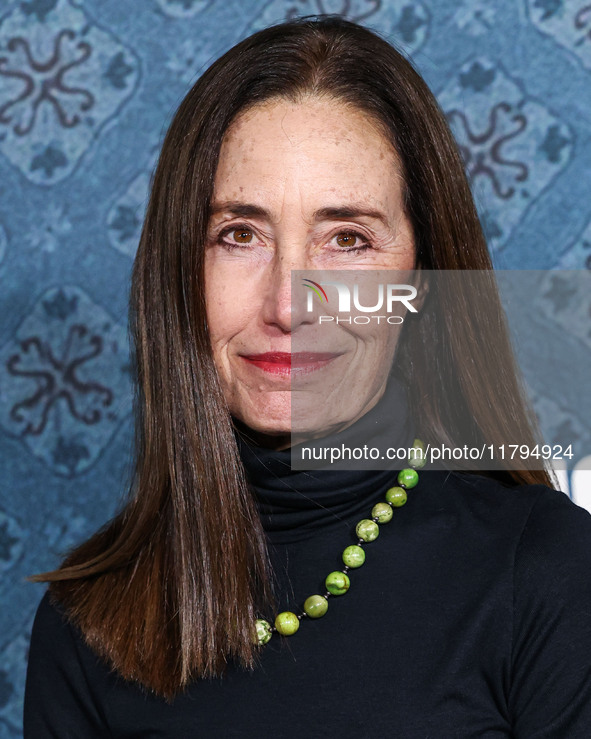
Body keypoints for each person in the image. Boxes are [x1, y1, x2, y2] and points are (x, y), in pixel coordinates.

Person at [23, 16, 591, 738]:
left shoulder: (547, 574)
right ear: (178, 272)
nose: (288, 303)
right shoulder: (89, 618)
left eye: (346, 238)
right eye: (239, 234)